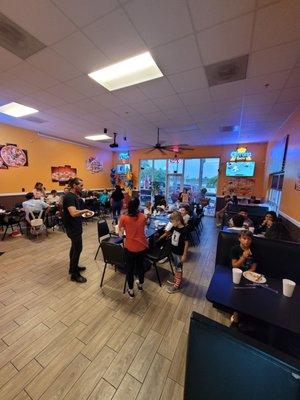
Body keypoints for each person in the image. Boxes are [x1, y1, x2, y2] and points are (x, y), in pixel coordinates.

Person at [63, 178, 91, 283]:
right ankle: (74, 275)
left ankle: (73, 268)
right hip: (72, 227)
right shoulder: (70, 197)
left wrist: (83, 212)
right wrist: (85, 210)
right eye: (81, 185)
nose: (82, 187)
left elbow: (75, 211)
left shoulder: (73, 196)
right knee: (78, 249)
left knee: (74, 248)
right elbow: (73, 213)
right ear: (75, 185)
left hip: (74, 226)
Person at [119, 198, 148, 298]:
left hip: (130, 247)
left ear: (127, 205)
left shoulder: (123, 218)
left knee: (129, 269)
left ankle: (131, 290)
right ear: (138, 206)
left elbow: (121, 233)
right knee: (140, 267)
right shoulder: (143, 216)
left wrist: (124, 234)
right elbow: (143, 227)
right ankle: (140, 285)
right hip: (142, 246)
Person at [230, 230, 257, 325]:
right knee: (237, 294)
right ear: (239, 239)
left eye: (249, 239)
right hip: (236, 274)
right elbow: (234, 266)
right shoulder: (235, 249)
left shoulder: (254, 251)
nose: (246, 241)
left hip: (249, 276)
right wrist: (243, 257)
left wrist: (247, 274)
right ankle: (236, 317)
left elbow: (253, 268)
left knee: (250, 294)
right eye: (244, 238)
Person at [165, 211, 189, 294]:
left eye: (173, 221)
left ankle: (177, 286)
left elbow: (186, 243)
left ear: (178, 221)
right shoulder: (175, 227)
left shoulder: (184, 230)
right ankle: (176, 281)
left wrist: (184, 254)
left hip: (179, 253)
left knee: (179, 269)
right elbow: (169, 232)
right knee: (176, 267)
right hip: (173, 251)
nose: (171, 223)